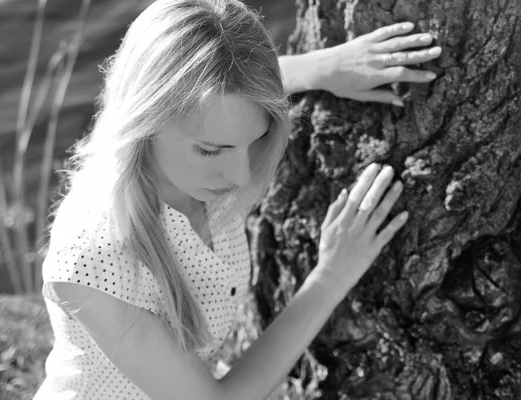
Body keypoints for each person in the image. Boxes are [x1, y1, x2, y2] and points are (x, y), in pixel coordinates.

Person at [33, 0, 441, 399]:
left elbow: (222, 90)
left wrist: (322, 68)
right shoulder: (93, 257)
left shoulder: (197, 142)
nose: (242, 176)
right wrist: (331, 276)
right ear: (144, 120)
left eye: (257, 139)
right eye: (212, 150)